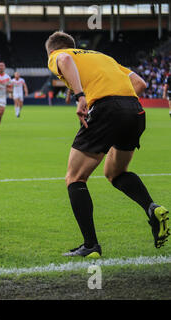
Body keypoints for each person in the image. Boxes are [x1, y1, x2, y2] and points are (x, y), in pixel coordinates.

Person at [46, 31, 169, 258]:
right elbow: (139, 83)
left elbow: (64, 61)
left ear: (52, 49)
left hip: (106, 109)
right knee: (115, 172)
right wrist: (120, 108)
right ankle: (152, 209)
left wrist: (81, 96)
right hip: (134, 110)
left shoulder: (59, 54)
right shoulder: (103, 57)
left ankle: (91, 245)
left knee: (75, 178)